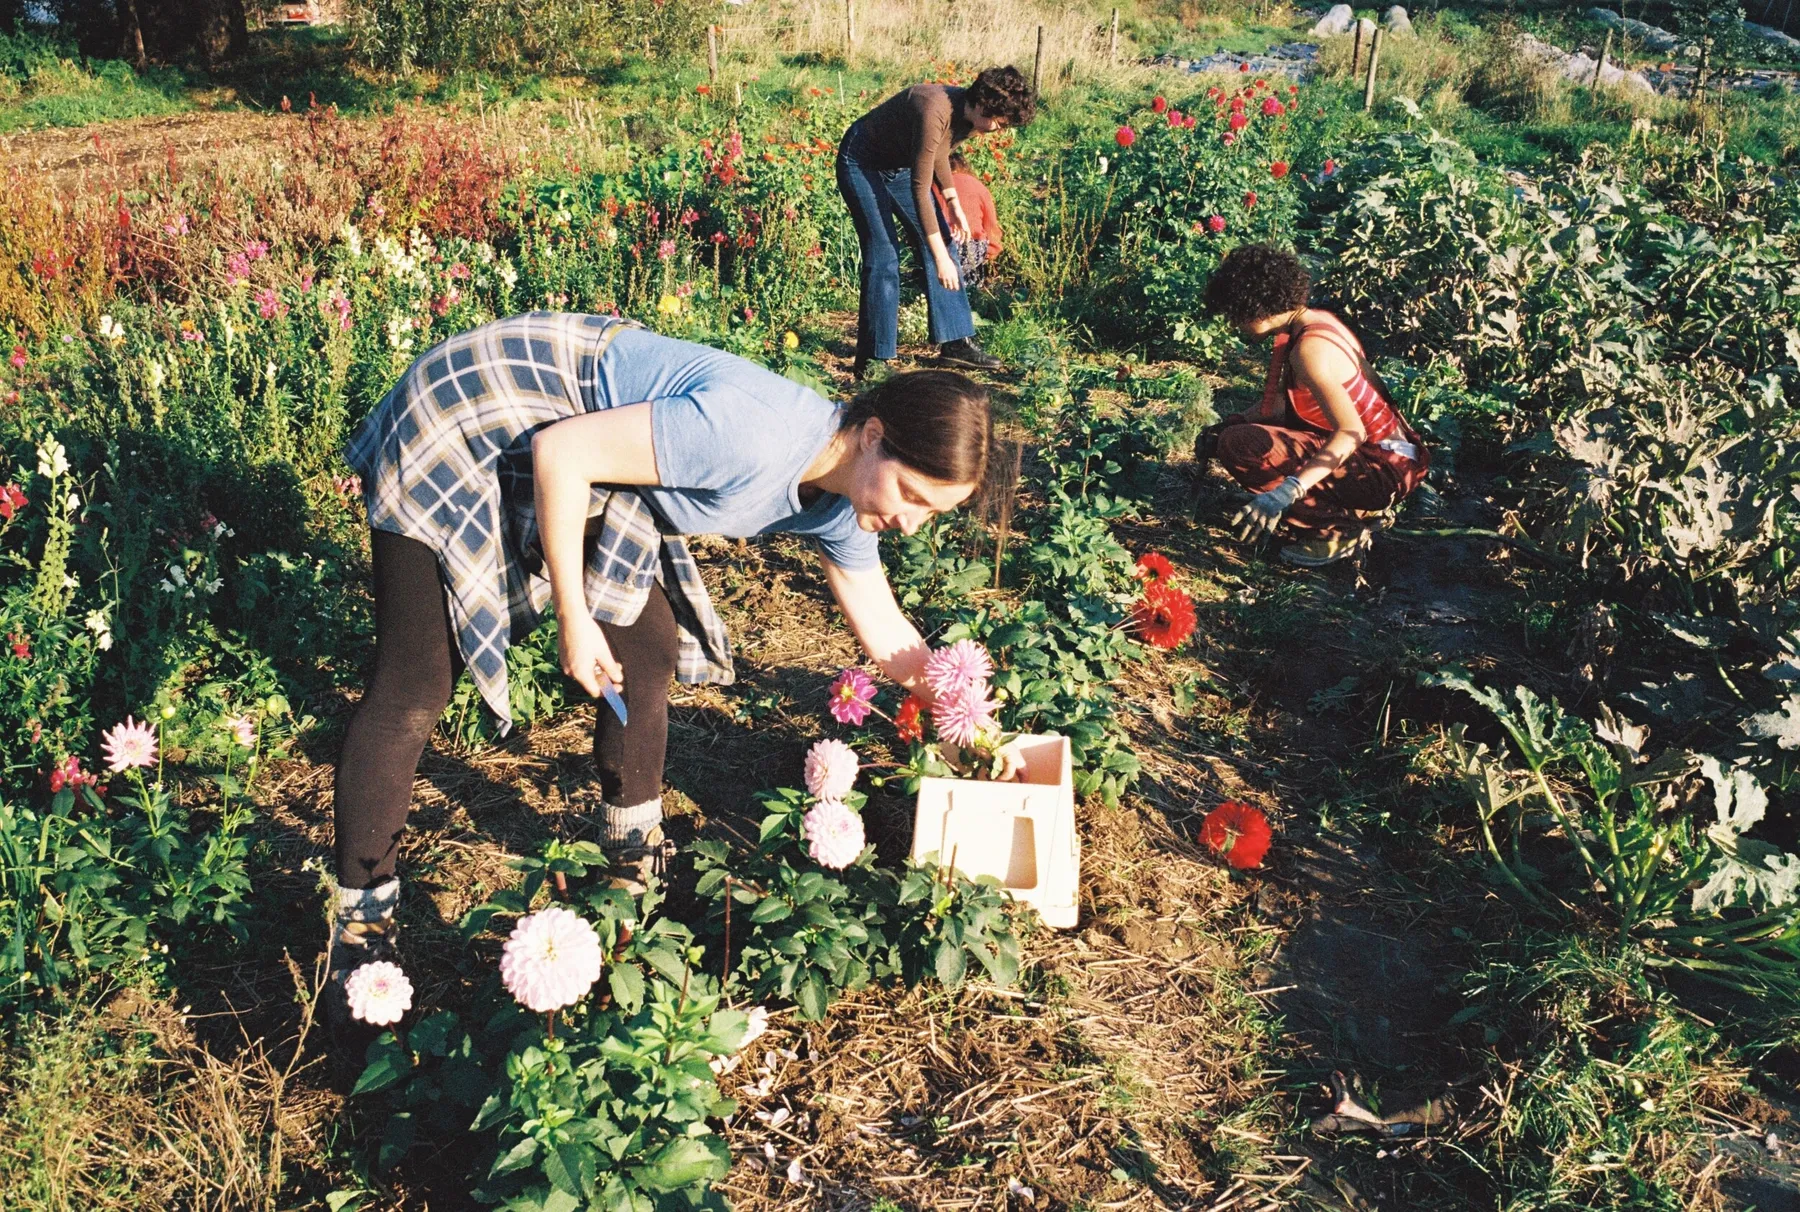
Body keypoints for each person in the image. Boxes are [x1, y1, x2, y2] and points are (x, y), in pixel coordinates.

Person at [327, 311, 993, 1027]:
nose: (911, 523)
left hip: (574, 440)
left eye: (932, 512)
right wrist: (574, 617)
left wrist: (973, 727)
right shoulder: (753, 438)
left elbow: (885, 628)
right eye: (912, 495)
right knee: (416, 685)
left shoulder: (842, 499)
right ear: (873, 435)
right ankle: (361, 934)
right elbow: (562, 452)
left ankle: (630, 863)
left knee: (644, 647)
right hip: (480, 403)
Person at [1197, 244, 1429, 567]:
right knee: (1235, 435)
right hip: (1394, 458)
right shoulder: (1315, 321)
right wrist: (1230, 422)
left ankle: (1335, 531)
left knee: (1240, 446)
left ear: (1255, 308)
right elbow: (1280, 406)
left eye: (1234, 316)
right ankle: (1345, 507)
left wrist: (1287, 491)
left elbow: (1351, 433)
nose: (1234, 326)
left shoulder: (1309, 350)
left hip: (1382, 469)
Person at [836, 65, 1034, 380]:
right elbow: (920, 188)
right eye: (999, 121)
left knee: (944, 239)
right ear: (984, 104)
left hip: (900, 165)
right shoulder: (934, 109)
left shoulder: (968, 118)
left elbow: (938, 152)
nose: (999, 128)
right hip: (862, 161)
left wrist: (953, 203)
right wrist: (940, 258)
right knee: (884, 255)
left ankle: (956, 344)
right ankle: (873, 360)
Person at [938, 151, 1001, 290]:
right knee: (971, 279)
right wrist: (992, 251)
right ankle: (971, 290)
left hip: (939, 248)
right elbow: (990, 225)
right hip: (971, 248)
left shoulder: (932, 186)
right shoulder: (977, 185)